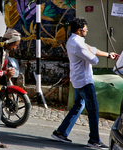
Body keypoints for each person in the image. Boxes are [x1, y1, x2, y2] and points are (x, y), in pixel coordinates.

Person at [51, 18, 119, 149]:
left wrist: (108, 54)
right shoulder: (78, 44)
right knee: (93, 110)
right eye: (86, 29)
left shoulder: (72, 40)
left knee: (78, 106)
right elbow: (94, 60)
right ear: (79, 30)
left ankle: (60, 132)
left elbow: (91, 49)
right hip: (84, 81)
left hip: (77, 80)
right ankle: (94, 140)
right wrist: (90, 51)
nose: (87, 30)